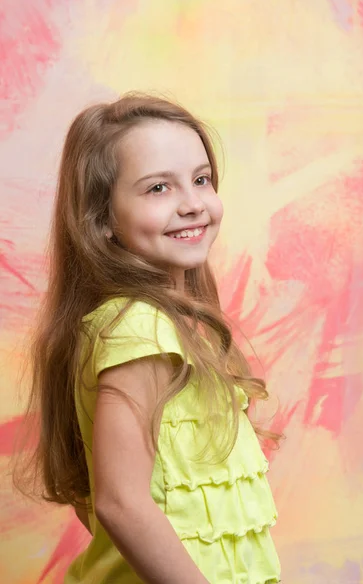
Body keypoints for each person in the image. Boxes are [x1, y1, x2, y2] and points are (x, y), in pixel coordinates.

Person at [15, 93, 281, 583]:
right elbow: (119, 502)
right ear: (102, 221)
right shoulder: (140, 328)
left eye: (201, 180)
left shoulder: (163, 326)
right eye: (159, 188)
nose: (193, 203)